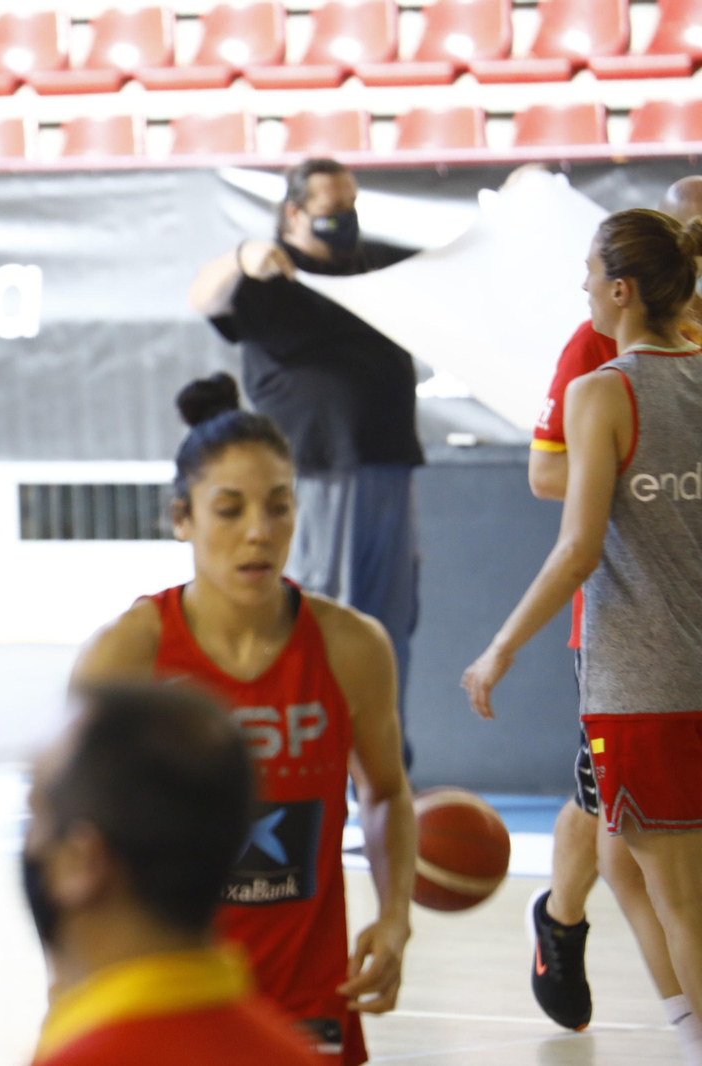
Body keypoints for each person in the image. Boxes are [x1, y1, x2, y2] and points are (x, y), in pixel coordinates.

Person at [73, 374, 415, 1065]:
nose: (259, 531)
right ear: (182, 519)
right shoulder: (128, 653)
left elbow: (385, 791)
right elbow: (69, 834)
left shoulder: (352, 647)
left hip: (308, 995)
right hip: (167, 990)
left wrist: (396, 916)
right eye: (229, 509)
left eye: (279, 507)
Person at [462, 208, 702, 1066]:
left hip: (645, 679)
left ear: (622, 288)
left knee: (673, 894)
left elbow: (577, 548)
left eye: (589, 276)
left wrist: (500, 646)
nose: (583, 289)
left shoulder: (603, 391)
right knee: (628, 859)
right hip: (672, 675)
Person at [523, 175, 702, 1033]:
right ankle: (562, 923)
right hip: (628, 628)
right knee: (618, 823)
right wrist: (632, 480)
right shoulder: (598, 353)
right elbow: (550, 473)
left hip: (678, 629)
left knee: (635, 834)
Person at [188, 158, 423, 766]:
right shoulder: (269, 275)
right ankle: (315, 759)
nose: (345, 220)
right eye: (331, 210)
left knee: (390, 624)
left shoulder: (376, 263)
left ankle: (379, 764)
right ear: (294, 212)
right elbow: (201, 294)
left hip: (388, 463)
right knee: (324, 614)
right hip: (315, 470)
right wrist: (244, 256)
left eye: (351, 206)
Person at [24, 682, 316, 1066]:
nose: (29, 843)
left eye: (37, 816)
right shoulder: (291, 1052)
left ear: (82, 863)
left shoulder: (90, 1057)